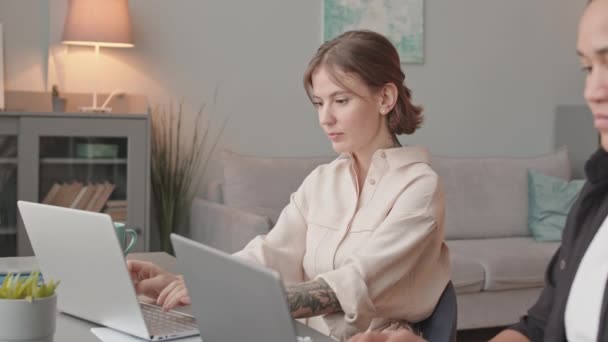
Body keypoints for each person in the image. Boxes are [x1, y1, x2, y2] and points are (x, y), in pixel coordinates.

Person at [128, 29, 451, 341]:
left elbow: (355, 283)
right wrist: (190, 283)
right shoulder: (323, 180)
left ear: (385, 98)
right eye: (318, 103)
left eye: (340, 100)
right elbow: (271, 252)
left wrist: (222, 296)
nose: (325, 118)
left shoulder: (418, 187)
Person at [349, 0, 608, 341]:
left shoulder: (416, 181)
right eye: (587, 69)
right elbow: (539, 328)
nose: (592, 92)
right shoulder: (594, 200)